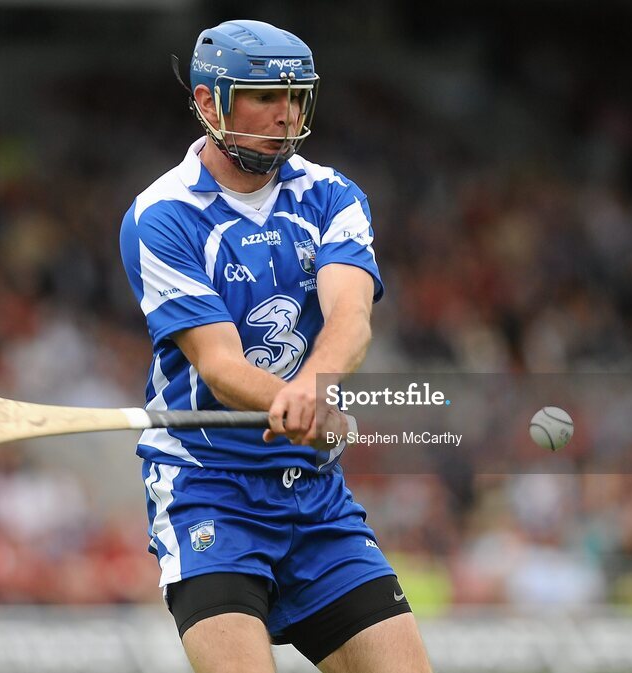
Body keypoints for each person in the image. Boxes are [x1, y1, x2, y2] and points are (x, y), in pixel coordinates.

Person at [119, 19, 432, 673]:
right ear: (210, 103)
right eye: (266, 97)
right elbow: (220, 363)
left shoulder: (331, 196)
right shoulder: (164, 215)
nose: (287, 116)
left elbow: (350, 318)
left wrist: (313, 392)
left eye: (297, 98)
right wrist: (291, 399)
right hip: (209, 488)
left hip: (314, 492)